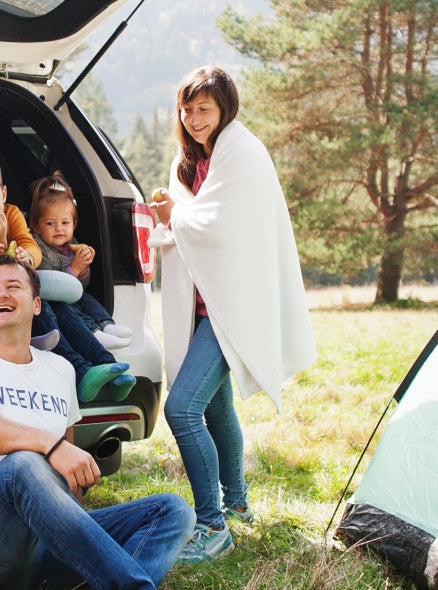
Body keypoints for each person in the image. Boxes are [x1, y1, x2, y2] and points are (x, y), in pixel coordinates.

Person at [0, 255, 193, 590]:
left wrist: (70, 486)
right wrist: (50, 445)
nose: (1, 294)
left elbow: (66, 477)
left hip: (47, 549)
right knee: (24, 464)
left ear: (37, 305)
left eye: (13, 286)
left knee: (172, 510)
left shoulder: (60, 369)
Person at [148, 66, 317, 562]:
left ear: (225, 109)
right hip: (206, 306)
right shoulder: (195, 161)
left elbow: (220, 228)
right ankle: (238, 505)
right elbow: (196, 219)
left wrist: (172, 216)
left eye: (205, 108)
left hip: (231, 307)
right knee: (217, 408)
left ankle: (212, 525)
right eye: (188, 108)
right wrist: (173, 209)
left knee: (182, 409)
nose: (195, 118)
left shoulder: (241, 152)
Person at [0, 153, 133, 403]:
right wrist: (2, 239)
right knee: (41, 308)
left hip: (24, 287)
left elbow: (31, 245)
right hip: (0, 297)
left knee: (63, 307)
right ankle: (81, 372)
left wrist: (29, 258)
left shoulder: (12, 213)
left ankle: (108, 366)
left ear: (4, 193)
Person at [28, 171, 134, 350]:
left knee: (88, 300)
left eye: (65, 223)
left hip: (75, 294)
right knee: (72, 309)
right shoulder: (37, 247)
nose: (58, 229)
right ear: (37, 227)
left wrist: (84, 269)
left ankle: (106, 324)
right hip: (56, 299)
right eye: (50, 223)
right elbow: (49, 282)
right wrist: (74, 269)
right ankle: (94, 333)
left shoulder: (73, 245)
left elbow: (82, 285)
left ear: (74, 224)